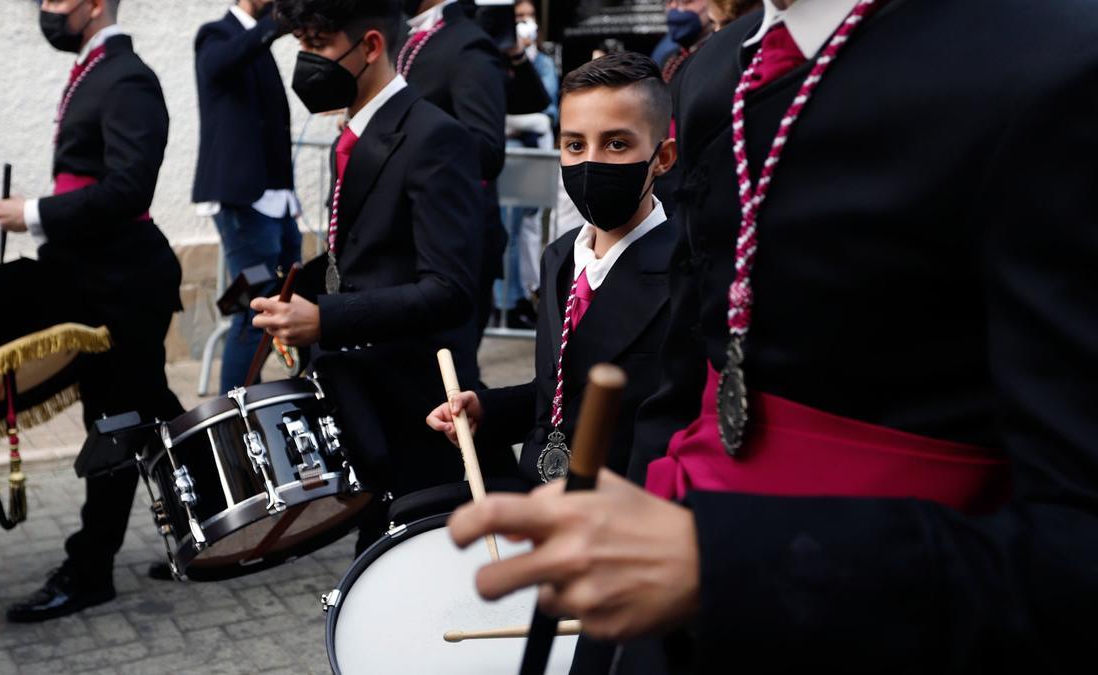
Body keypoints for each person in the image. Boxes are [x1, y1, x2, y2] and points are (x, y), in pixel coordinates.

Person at [449, 0, 1098, 671]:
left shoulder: (1053, 63)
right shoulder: (714, 75)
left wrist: (725, 559)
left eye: (616, 145)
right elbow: (687, 377)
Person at [262, 0, 518, 552]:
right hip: (369, 400)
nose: (306, 62)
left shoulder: (433, 137)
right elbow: (367, 255)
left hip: (421, 406)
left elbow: (450, 291)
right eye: (301, 46)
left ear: (372, 46)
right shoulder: (349, 137)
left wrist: (325, 319)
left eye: (318, 46)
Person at [0, 0, 184, 622]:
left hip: (127, 284)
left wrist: (34, 213)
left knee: (117, 426)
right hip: (98, 280)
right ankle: (217, 528)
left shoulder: (127, 77)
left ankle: (90, 570)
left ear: (95, 6)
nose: (45, 8)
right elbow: (89, 179)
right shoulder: (97, 69)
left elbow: (128, 189)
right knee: (149, 415)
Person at [430, 52, 674, 486]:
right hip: (537, 495)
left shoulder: (685, 272)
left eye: (617, 144)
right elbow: (561, 392)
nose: (590, 162)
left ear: (663, 157)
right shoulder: (560, 256)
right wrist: (487, 410)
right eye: (574, 144)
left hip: (613, 514)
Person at [192, 0, 301, 393]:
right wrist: (274, 23)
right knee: (251, 310)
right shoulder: (216, 34)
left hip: (279, 203)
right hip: (245, 205)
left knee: (293, 298)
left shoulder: (259, 42)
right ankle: (231, 412)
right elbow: (219, 64)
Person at [399, 0, 509, 347]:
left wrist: (397, 140)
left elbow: (487, 149)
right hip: (409, 241)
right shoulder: (406, 36)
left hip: (454, 246)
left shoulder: (467, 42)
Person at [497, 0, 559, 329]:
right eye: (518, 18)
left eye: (529, 17)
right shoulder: (500, 61)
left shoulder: (543, 65)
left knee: (529, 229)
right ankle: (507, 300)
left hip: (535, 157)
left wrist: (513, 121)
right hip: (512, 161)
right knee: (507, 231)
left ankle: (527, 292)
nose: (525, 24)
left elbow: (546, 116)